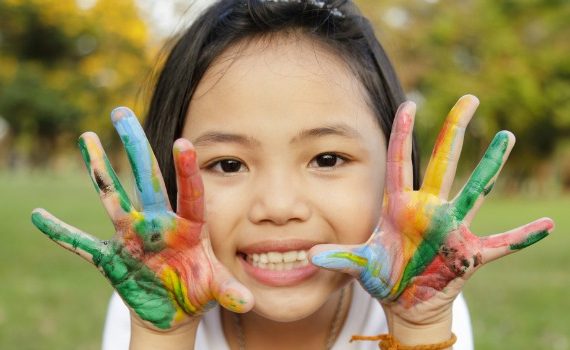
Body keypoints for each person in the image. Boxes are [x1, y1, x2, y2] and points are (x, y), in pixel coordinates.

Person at [31, 1, 554, 349]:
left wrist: (418, 328)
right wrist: (160, 335)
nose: (279, 205)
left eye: (327, 159)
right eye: (228, 165)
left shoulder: (424, 304)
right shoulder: (148, 305)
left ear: (396, 174)